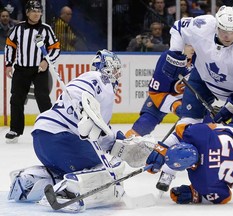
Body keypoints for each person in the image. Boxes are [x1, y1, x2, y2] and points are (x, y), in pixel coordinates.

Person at [152, 5, 233, 195]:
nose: (227, 36)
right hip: (201, 79)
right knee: (187, 125)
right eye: (224, 30)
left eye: (232, 32)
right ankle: (168, 172)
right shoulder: (203, 24)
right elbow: (177, 27)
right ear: (217, 25)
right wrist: (175, 53)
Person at [145, 63, 233, 204]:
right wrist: (161, 149)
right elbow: (183, 129)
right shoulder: (197, 135)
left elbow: (224, 197)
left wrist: (194, 194)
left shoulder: (204, 182)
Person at [7, 50, 124, 210]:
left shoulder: (101, 96)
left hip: (43, 138)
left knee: (61, 170)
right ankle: (69, 190)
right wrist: (84, 108)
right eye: (115, 70)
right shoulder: (99, 78)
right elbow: (77, 90)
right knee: (110, 165)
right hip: (63, 140)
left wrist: (114, 141)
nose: (117, 75)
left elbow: (98, 136)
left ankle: (29, 183)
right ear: (107, 69)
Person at [4, 0, 60, 144]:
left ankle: (50, 127)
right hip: (21, 69)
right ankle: (15, 129)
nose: (37, 14)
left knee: (43, 98)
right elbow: (10, 45)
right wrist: (9, 64)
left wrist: (46, 61)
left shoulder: (46, 29)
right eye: (33, 11)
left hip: (39, 70)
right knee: (16, 98)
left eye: (39, 11)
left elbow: (55, 47)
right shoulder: (18, 28)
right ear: (27, 13)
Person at [125, 45, 194, 137]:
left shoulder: (201, 58)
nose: (193, 48)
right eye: (189, 45)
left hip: (190, 97)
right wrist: (176, 106)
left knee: (204, 126)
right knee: (144, 124)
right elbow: (156, 93)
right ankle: (126, 146)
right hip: (163, 94)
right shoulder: (168, 58)